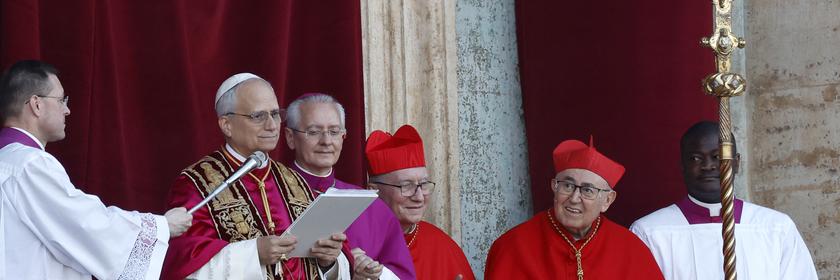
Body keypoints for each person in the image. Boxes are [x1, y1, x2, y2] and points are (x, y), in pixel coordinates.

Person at [0, 60, 193, 280]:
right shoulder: (29, 164)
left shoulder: (9, 159)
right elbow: (85, 226)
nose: (67, 110)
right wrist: (161, 226)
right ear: (36, 104)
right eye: (61, 100)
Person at [162, 74, 350, 280]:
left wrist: (328, 261)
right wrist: (254, 253)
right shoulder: (197, 183)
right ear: (227, 125)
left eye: (276, 114)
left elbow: (329, 261)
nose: (272, 125)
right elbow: (183, 263)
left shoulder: (295, 181)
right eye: (258, 116)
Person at [630, 121, 818, 279]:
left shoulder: (776, 228)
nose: (708, 166)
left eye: (718, 157)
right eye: (696, 158)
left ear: (736, 163)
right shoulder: (649, 232)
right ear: (682, 165)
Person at [485, 137, 664, 280]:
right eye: (567, 186)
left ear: (607, 200)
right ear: (554, 187)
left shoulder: (631, 250)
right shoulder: (513, 246)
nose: (574, 198)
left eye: (587, 190)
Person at [284, 93, 416, 280]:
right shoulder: (271, 197)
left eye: (334, 131)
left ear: (344, 136)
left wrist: (373, 273)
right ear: (290, 137)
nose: (326, 141)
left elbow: (404, 276)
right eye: (313, 132)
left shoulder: (373, 207)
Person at [365, 124, 475, 280]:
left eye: (423, 184)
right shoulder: (356, 242)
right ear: (373, 190)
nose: (419, 197)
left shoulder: (442, 245)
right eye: (406, 185)